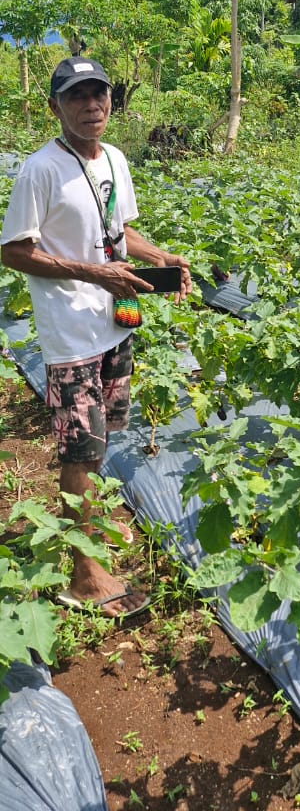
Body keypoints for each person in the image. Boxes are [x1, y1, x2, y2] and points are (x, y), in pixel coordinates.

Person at [0, 57, 192, 616]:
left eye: (99, 95)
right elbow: (13, 250)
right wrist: (93, 272)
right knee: (80, 448)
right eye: (77, 97)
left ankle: (89, 529)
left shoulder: (114, 158)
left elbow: (119, 231)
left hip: (114, 323)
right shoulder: (40, 170)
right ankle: (85, 575)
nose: (91, 106)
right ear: (55, 106)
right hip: (70, 334)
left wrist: (162, 257)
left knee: (103, 438)